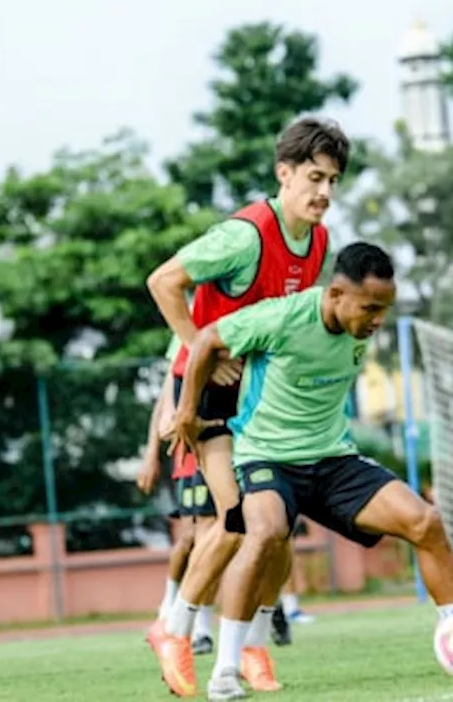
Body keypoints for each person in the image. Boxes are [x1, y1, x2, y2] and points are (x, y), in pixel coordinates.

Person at [174, 242, 453, 700]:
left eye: (384, 308)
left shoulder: (358, 327)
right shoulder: (279, 317)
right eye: (370, 307)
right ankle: (225, 669)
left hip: (332, 459)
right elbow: (205, 340)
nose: (378, 319)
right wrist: (187, 412)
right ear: (336, 294)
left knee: (425, 521)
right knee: (263, 534)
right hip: (267, 457)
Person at [146, 116, 347, 697]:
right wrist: (195, 352)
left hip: (259, 397)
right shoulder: (245, 236)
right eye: (314, 177)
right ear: (283, 173)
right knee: (237, 520)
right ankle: (174, 628)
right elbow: (164, 281)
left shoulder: (320, 243)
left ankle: (253, 645)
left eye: (333, 180)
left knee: (277, 529)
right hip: (208, 391)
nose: (324, 192)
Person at [135, 343, 215, 654]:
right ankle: (171, 606)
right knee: (193, 537)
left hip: (230, 446)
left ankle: (201, 628)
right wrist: (151, 453)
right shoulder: (188, 332)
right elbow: (166, 398)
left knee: (219, 536)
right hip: (192, 452)